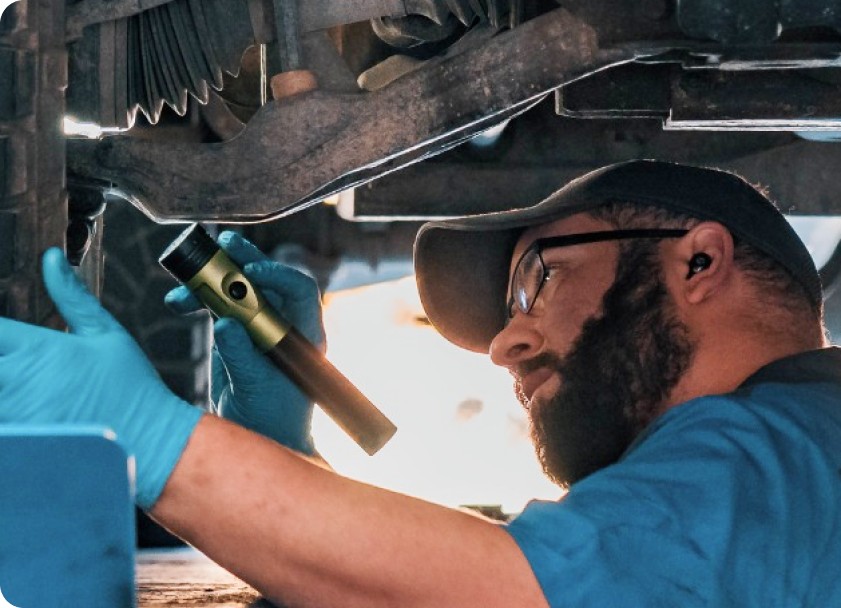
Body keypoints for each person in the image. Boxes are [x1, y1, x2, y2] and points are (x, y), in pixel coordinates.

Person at [1, 159, 840, 607]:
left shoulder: (776, 455)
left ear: (697, 261)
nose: (506, 344)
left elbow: (494, 594)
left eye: (534, 283)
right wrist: (279, 455)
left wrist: (152, 439)